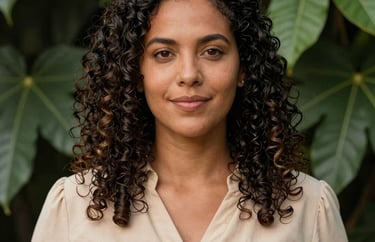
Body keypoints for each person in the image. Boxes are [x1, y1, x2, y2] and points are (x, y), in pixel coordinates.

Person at [32, 0, 348, 241]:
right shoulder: (74, 206)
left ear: (243, 68)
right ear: (135, 72)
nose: (189, 75)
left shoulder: (309, 207)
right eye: (163, 54)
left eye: (212, 51)